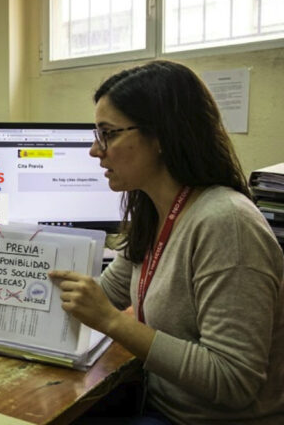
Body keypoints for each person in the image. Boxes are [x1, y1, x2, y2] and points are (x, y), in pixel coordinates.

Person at [49, 61, 284, 423]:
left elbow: (234, 380)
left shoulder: (227, 222)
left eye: (107, 134)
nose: (96, 151)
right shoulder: (154, 209)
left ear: (160, 136)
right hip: (156, 403)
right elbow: (107, 293)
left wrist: (113, 322)